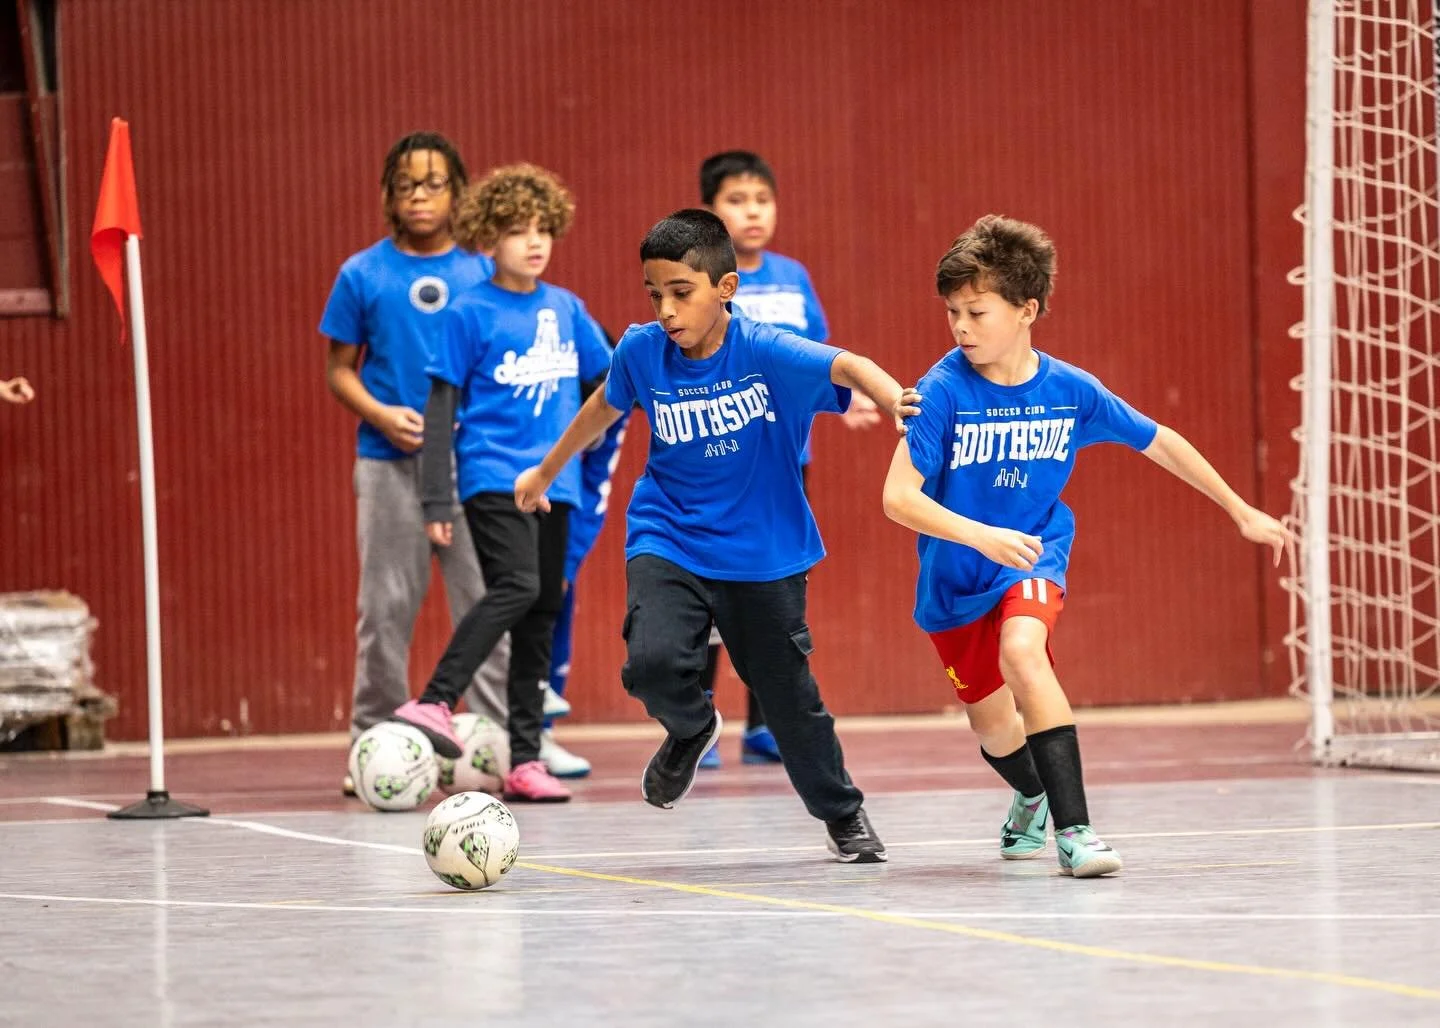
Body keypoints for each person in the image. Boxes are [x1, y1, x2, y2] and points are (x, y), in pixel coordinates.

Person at [881, 214, 1290, 877]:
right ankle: (1031, 792)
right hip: (956, 577)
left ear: (1027, 310)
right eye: (952, 311)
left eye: (976, 311)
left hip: (1034, 553)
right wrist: (981, 535)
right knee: (992, 729)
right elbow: (897, 498)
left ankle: (1077, 833)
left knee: (1024, 650)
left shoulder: (1070, 391)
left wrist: (1240, 509)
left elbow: (1162, 442)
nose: (959, 326)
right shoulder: (942, 393)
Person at [515, 210, 919, 861]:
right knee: (650, 662)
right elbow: (601, 409)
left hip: (764, 552)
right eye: (655, 294)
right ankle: (691, 727)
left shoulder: (766, 350)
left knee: (790, 700)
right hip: (668, 534)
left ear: (725, 288)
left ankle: (841, 813)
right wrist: (545, 469)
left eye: (682, 292)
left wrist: (895, 396)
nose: (667, 310)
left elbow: (849, 364)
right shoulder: (643, 352)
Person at [392, 163, 612, 804]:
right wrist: (437, 496)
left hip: (558, 484)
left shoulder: (569, 309)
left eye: (544, 229)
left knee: (542, 614)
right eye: (518, 231)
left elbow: (609, 381)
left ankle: (524, 757)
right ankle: (434, 700)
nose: (535, 242)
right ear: (489, 237)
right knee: (517, 586)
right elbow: (439, 408)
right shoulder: (468, 312)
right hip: (491, 476)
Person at [320, 132, 508, 796]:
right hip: (387, 465)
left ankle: (488, 745)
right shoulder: (362, 274)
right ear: (388, 197)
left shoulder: (485, 273)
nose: (419, 196)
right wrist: (380, 413)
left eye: (433, 183)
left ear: (458, 193)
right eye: (406, 185)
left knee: (485, 601)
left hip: (470, 469)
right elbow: (339, 371)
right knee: (385, 607)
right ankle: (373, 743)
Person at [696, 149, 882, 766]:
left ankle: (765, 720)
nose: (752, 212)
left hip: (784, 462)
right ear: (711, 210)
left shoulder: (794, 276)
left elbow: (817, 356)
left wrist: (846, 398)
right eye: (736, 200)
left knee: (772, 586)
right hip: (718, 459)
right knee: (710, 584)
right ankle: (698, 721)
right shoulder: (699, 279)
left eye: (762, 199)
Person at [540, 405, 630, 779]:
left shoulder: (611, 378)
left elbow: (596, 479)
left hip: (559, 511)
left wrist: (569, 556)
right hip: (487, 487)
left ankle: (536, 737)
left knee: (552, 607)